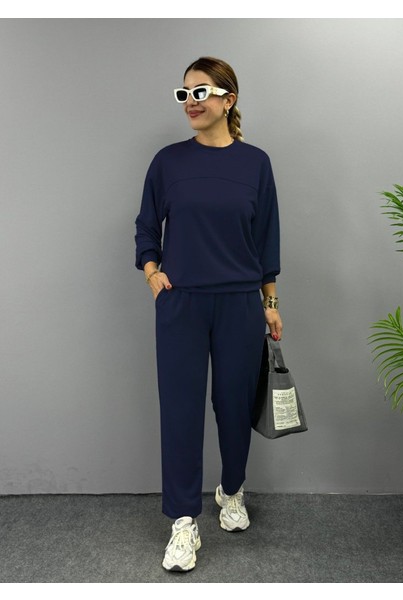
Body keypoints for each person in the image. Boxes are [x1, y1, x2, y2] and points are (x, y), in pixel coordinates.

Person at [135, 56, 283, 572]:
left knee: (234, 405)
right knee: (180, 409)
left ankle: (232, 489)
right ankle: (183, 521)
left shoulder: (256, 164)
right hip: (182, 303)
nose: (190, 102)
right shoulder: (168, 162)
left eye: (200, 92)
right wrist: (152, 273)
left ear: (228, 99)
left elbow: (266, 239)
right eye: (184, 94)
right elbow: (146, 226)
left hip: (241, 302)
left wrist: (270, 304)